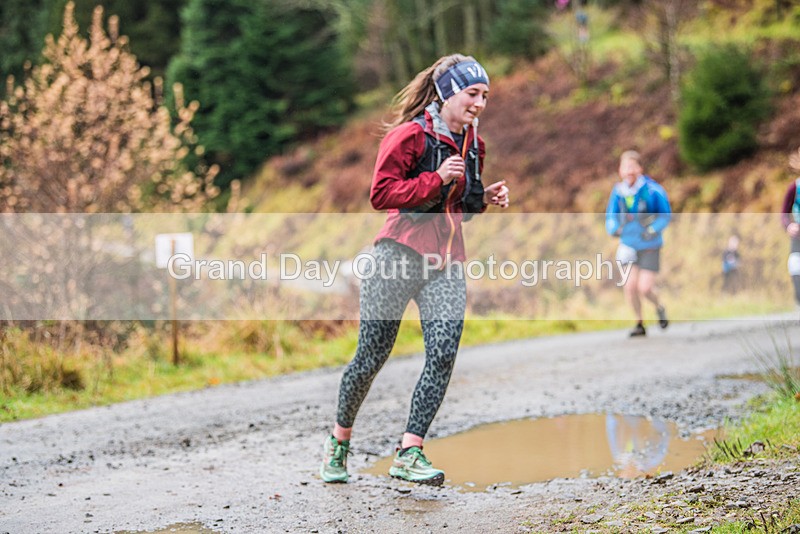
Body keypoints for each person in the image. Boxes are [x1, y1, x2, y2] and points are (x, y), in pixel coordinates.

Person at [320, 54, 509, 485]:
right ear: (447, 93)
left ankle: (410, 451)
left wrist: (485, 197)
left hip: (445, 263)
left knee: (443, 353)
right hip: (396, 258)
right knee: (371, 357)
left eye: (485, 96)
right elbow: (381, 193)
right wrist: (438, 179)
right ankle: (339, 441)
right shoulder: (410, 136)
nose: (479, 104)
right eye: (472, 94)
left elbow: (461, 206)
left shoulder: (474, 144)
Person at [605, 150, 671, 337]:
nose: (629, 171)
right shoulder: (618, 192)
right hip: (628, 244)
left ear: (640, 168)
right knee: (630, 286)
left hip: (649, 244)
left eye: (633, 167)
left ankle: (659, 307)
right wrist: (614, 229)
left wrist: (653, 229)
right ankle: (639, 323)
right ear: (620, 170)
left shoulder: (653, 190)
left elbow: (665, 214)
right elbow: (611, 216)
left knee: (645, 287)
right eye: (625, 167)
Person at [780, 164, 800, 305]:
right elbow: (784, 214)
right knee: (795, 267)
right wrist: (789, 225)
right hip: (797, 238)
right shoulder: (794, 188)